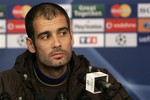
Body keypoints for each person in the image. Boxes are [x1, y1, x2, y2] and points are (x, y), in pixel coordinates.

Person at [0, 2, 132, 100]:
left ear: (71, 36)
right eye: (45, 36)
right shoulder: (6, 84)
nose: (57, 43)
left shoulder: (100, 80)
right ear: (31, 45)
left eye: (62, 33)